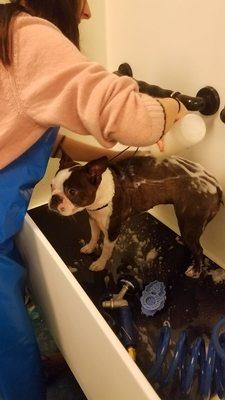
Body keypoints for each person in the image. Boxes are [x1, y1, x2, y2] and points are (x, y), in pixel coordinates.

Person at [0, 1, 187, 399]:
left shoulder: (6, 33)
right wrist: (175, 107)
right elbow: (137, 119)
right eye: (84, 0)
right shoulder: (26, 35)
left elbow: (39, 137)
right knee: (7, 339)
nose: (86, 13)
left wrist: (129, 158)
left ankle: (28, 368)